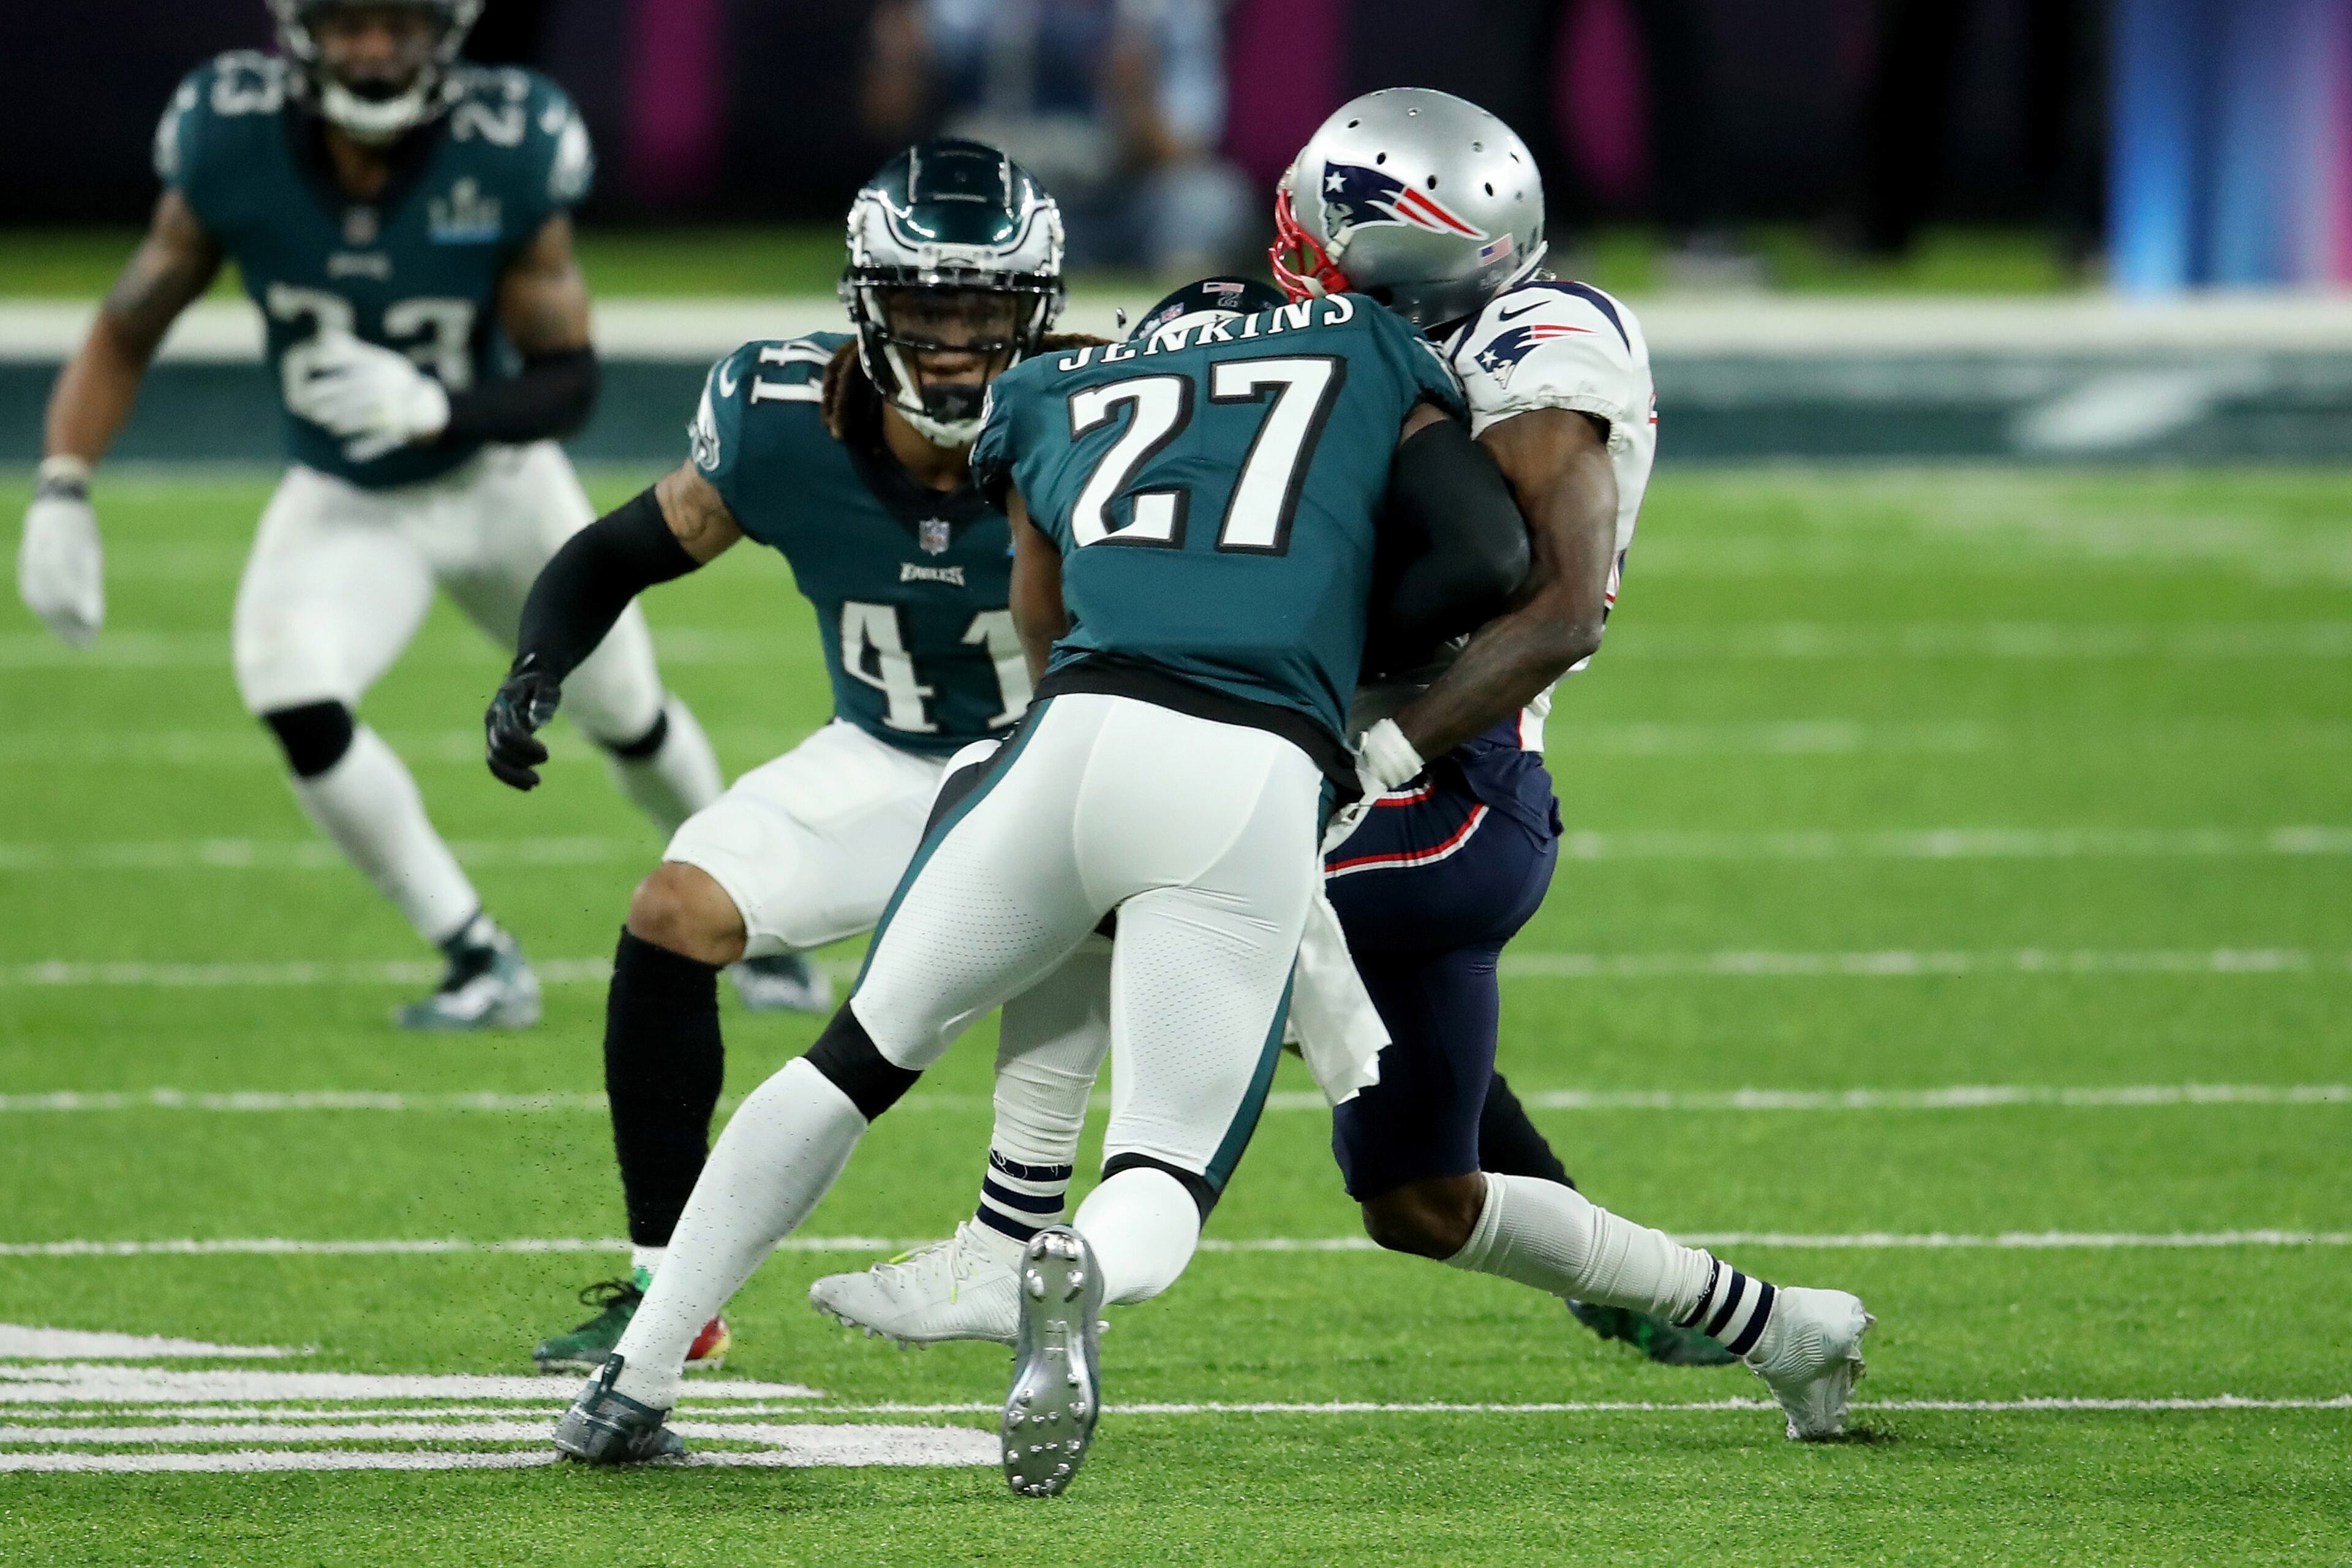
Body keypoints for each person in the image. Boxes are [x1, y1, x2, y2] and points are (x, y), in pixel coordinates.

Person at [810, 91, 1874, 1436]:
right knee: (1423, 1199)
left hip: (1444, 778)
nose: (1330, 271)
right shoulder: (1315, 325)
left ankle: (1010, 1235)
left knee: (1125, 891)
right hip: (1321, 749)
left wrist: (1367, 751)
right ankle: (1786, 1327)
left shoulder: (1543, 348)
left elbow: (1556, 607)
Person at [548, 272, 1542, 1496]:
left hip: (1066, 733)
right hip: (1248, 759)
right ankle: (1075, 1267)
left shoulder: (1054, 389)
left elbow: (1042, 613)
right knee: (1165, 1163)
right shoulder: (1367, 348)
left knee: (849, 1061)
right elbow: (1487, 553)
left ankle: (636, 1376)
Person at [486, 138, 1106, 1377]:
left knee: (1347, 1012)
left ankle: (1517, 1211)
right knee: (674, 911)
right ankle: (669, 1288)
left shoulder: (1109, 418)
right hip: (886, 759)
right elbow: (618, 551)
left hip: (1071, 776)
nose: (953, 345)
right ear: (866, 307)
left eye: (982, 311)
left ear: (1035, 310)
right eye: (923, 308)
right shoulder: (783, 422)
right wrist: (538, 663)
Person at [14, 0, 726, 1029]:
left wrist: (444, 408)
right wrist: (63, 483)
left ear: (446, 32)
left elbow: (570, 382)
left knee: (627, 715)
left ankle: (752, 917)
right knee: (291, 686)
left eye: (399, 25)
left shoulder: (506, 143)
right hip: (348, 495)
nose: (374, 51)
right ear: (301, 33)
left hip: (500, 484)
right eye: (349, 24)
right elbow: (127, 327)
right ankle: (476, 953)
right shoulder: (231, 136)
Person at [861, 0, 1250, 274]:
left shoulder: (1170, 12)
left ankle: (1179, 302)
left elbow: (1187, 147)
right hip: (1008, 195)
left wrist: (1136, 101)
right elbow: (890, 116)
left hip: (1121, 193)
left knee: (1209, 199)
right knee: (935, 183)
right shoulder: (971, 11)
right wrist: (900, 56)